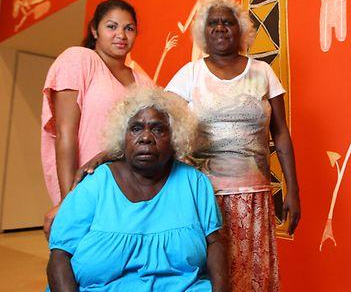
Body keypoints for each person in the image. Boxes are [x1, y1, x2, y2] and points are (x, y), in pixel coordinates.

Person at [165, 0, 300, 291]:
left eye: (228, 21)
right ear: (203, 31)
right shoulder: (189, 75)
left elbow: (281, 134)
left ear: (241, 29)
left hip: (255, 197)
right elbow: (161, 123)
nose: (220, 27)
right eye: (213, 22)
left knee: (253, 277)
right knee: (213, 275)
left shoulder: (263, 72)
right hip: (205, 197)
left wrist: (293, 190)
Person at [46, 87, 227, 291]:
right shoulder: (95, 183)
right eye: (136, 128)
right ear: (123, 137)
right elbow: (60, 255)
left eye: (158, 129)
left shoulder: (195, 183)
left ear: (175, 137)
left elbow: (214, 243)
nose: (146, 137)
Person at [41, 0, 152, 230]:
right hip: (87, 187)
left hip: (132, 191)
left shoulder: (143, 81)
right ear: (95, 30)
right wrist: (68, 200)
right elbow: (65, 133)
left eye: (129, 28)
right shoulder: (79, 59)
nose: (121, 34)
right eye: (112, 26)